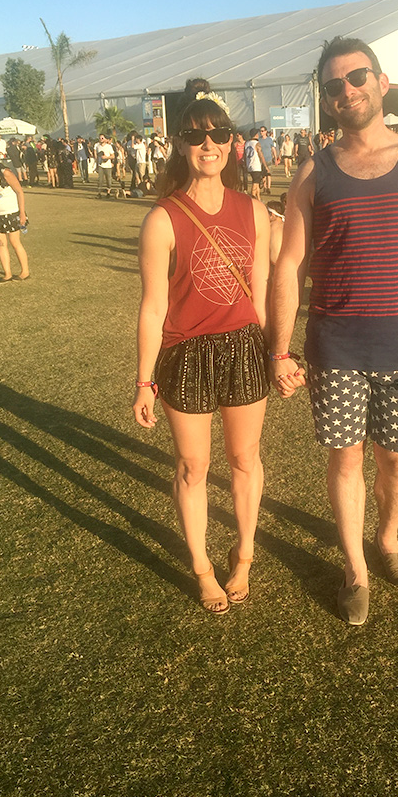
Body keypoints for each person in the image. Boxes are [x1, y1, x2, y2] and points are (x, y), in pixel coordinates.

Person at [269, 36, 398, 626]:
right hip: (334, 345)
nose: (347, 91)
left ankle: (388, 539)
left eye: (357, 78)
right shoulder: (314, 171)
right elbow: (288, 265)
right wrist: (279, 348)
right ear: (326, 100)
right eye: (334, 86)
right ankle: (356, 567)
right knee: (346, 460)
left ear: (381, 82)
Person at [132, 91, 270, 615]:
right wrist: (144, 381)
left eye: (216, 134)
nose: (206, 144)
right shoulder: (163, 219)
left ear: (233, 143)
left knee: (243, 459)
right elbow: (152, 307)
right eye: (195, 135)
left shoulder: (255, 212)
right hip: (185, 355)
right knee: (193, 466)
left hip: (243, 349)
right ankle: (201, 567)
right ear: (182, 145)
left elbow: (259, 296)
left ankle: (244, 555)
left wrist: (275, 354)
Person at [244, 128, 268, 200]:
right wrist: (265, 166)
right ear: (256, 135)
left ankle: (258, 198)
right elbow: (261, 155)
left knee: (257, 183)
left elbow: (244, 155)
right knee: (255, 183)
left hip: (249, 165)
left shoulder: (247, 143)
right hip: (256, 166)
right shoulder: (257, 143)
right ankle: (253, 197)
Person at [94, 134, 115, 198]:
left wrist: (107, 157)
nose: (101, 139)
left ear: (105, 139)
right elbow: (97, 156)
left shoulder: (109, 146)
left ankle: (108, 193)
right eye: (100, 138)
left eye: (102, 138)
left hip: (108, 165)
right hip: (101, 165)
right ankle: (99, 193)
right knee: (100, 179)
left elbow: (113, 156)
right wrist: (97, 165)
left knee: (108, 180)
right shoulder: (98, 146)